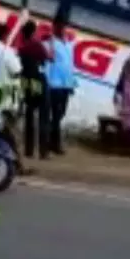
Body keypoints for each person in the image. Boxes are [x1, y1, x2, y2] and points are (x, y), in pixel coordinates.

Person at [16, 20, 52, 165]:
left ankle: (29, 150)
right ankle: (43, 151)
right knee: (43, 115)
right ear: (34, 31)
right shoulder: (37, 45)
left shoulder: (22, 47)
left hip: (26, 82)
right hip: (38, 81)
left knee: (29, 115)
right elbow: (49, 58)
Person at [45, 22, 76, 154]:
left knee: (61, 113)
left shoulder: (69, 45)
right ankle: (54, 144)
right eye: (62, 29)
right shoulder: (51, 43)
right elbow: (49, 59)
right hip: (55, 84)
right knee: (57, 113)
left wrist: (72, 83)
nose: (64, 31)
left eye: (65, 29)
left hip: (66, 84)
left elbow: (70, 66)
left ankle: (49, 138)